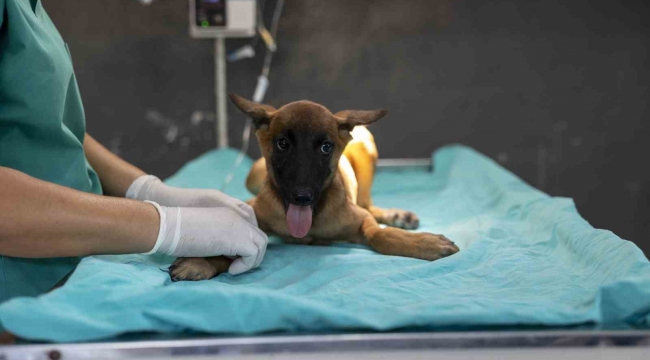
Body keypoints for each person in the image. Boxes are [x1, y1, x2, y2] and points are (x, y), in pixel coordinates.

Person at [0, 0, 268, 303]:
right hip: (20, 294)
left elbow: (49, 124)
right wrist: (166, 225)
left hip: (78, 263)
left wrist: (146, 189)